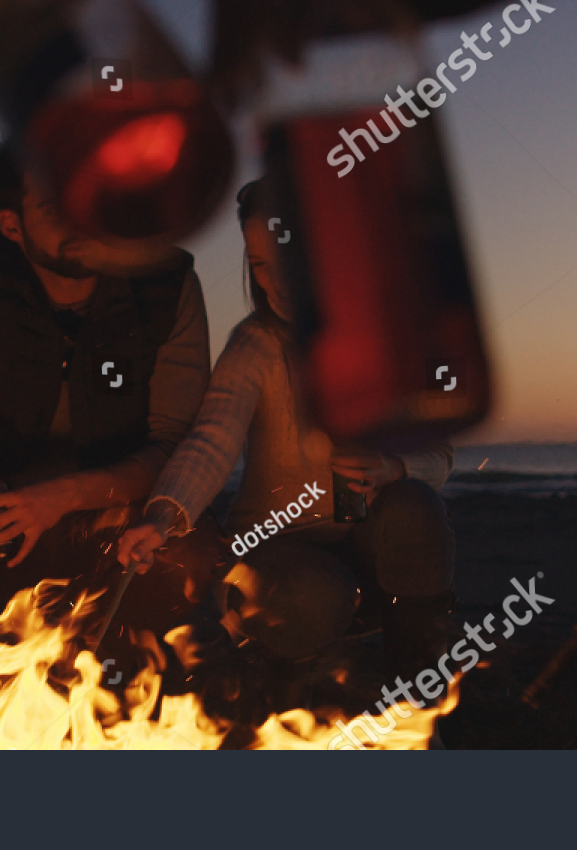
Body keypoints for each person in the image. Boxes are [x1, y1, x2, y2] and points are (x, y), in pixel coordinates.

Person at [0, 141, 227, 663]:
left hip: (111, 512)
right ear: (12, 225)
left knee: (191, 542)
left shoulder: (163, 283)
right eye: (54, 210)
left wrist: (61, 498)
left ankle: (129, 679)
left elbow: (173, 446)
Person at [117, 177, 456, 674]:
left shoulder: (382, 336)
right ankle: (275, 685)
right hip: (272, 557)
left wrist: (392, 467)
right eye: (259, 266)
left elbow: (439, 457)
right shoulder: (257, 345)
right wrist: (164, 516)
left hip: (360, 549)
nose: (275, 282)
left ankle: (417, 699)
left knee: (417, 508)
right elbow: (211, 441)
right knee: (315, 594)